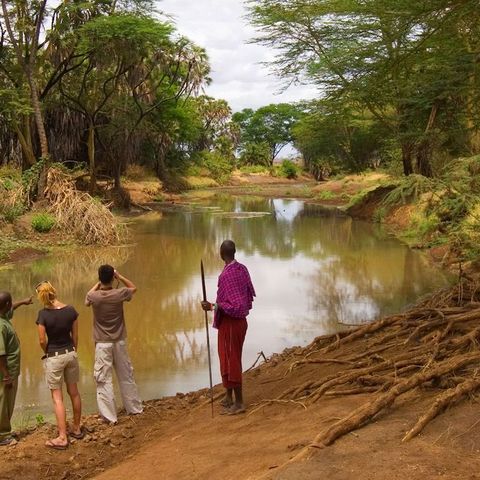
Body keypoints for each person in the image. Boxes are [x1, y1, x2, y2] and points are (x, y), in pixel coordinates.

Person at [201, 240, 255, 415]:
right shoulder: (242, 269)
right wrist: (214, 306)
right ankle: (228, 396)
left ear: (221, 253)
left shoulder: (226, 275)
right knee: (226, 357)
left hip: (232, 323)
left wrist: (211, 306)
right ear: (234, 252)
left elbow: (230, 305)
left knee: (231, 360)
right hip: (236, 323)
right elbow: (244, 298)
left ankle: (239, 402)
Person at [85, 265, 143, 424]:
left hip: (103, 344)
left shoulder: (94, 296)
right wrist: (120, 277)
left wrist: (98, 283)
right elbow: (133, 288)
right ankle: (134, 408)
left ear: (99, 278)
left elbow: (87, 298)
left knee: (103, 380)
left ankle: (110, 417)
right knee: (126, 375)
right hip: (120, 341)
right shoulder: (120, 293)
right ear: (112, 277)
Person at [36, 281, 83, 450]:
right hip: (70, 353)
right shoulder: (71, 310)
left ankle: (62, 437)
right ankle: (77, 428)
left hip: (54, 356)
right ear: (54, 292)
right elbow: (75, 336)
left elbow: (42, 340)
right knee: (74, 392)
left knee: (57, 398)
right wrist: (73, 351)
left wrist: (47, 351)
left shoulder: (43, 315)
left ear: (41, 297)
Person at [0, 291, 32, 446]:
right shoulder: (0, 325)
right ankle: (3, 435)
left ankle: (4, 430)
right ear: (6, 306)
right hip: (6, 371)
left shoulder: (3, 316)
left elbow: (11, 307)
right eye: (10, 303)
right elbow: (0, 353)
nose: (12, 305)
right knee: (4, 401)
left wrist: (23, 302)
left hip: (9, 370)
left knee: (7, 401)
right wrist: (6, 375)